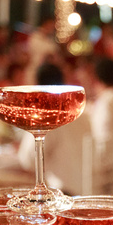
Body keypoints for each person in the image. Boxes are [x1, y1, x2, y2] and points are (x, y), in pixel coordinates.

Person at [17, 63, 92, 194]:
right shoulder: (80, 112)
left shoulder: (48, 115)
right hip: (89, 186)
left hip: (64, 191)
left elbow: (27, 160)